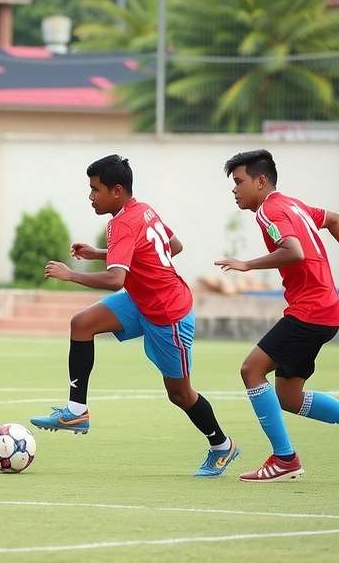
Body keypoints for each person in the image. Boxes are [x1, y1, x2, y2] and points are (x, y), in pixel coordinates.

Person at [30, 155, 240, 477]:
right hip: (141, 301)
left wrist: (71, 274)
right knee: (81, 324)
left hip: (168, 315)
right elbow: (174, 245)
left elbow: (116, 278)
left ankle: (222, 445)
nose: (90, 196)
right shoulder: (141, 210)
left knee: (180, 394)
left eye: (95, 189)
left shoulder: (121, 222)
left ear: (116, 191)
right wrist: (103, 253)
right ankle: (76, 411)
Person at [216, 149, 339, 482]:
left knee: (251, 370)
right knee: (288, 396)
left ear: (261, 180)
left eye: (239, 181)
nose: (234, 189)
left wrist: (247, 264)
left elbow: (293, 251)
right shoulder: (293, 204)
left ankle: (285, 460)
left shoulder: (268, 210)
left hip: (311, 311)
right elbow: (335, 219)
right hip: (325, 309)